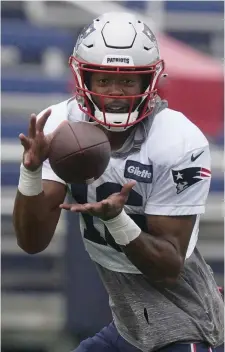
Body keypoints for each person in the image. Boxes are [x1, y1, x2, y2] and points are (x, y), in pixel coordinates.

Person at [13, 12, 223, 352]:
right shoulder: (61, 125)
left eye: (128, 81)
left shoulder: (178, 139)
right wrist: (32, 171)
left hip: (185, 325)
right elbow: (32, 241)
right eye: (104, 80)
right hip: (129, 326)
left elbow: (169, 267)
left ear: (148, 83)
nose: (115, 93)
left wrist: (116, 219)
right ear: (85, 78)